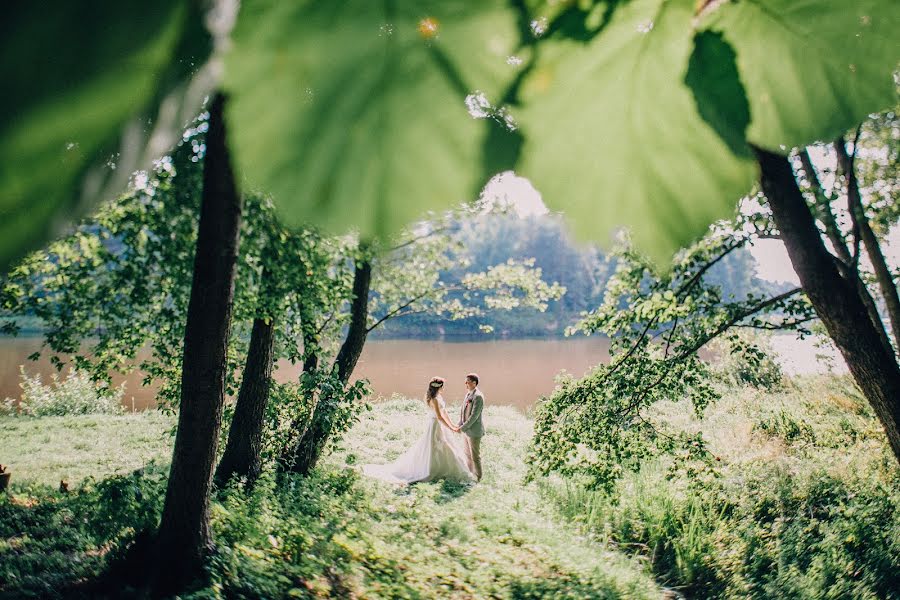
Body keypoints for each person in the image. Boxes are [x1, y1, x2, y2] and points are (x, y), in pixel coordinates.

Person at [362, 376, 474, 485]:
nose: (444, 388)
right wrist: (450, 428)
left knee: (446, 446)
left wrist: (453, 425)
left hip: (441, 425)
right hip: (435, 425)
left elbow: (444, 412)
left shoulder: (439, 397)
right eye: (443, 386)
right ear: (439, 387)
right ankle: (432, 470)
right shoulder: (434, 399)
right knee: (436, 447)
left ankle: (445, 470)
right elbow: (439, 417)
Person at [458, 373, 485, 481]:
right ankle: (470, 475)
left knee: (475, 456)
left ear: (474, 383)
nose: (465, 383)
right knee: (467, 454)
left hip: (474, 431)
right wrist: (460, 423)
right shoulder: (468, 394)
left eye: (467, 381)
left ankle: (478, 478)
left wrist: (462, 428)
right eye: (465, 381)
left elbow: (474, 416)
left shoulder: (478, 396)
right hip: (466, 430)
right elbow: (463, 411)